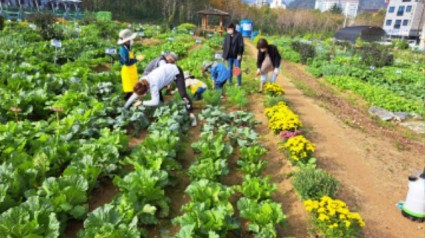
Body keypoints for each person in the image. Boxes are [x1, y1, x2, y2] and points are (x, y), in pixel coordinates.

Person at [125, 64, 197, 126]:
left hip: (176, 72)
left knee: (183, 94)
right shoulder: (142, 82)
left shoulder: (153, 85)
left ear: (146, 90)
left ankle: (192, 115)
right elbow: (135, 94)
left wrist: (142, 102)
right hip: (166, 73)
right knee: (159, 93)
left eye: (142, 94)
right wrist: (125, 107)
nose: (140, 96)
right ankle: (163, 106)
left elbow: (155, 102)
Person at [118, 29, 139, 101]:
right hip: (127, 71)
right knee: (128, 91)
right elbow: (127, 63)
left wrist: (135, 58)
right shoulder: (123, 50)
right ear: (126, 41)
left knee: (133, 89)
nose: (131, 41)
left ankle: (131, 103)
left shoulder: (128, 48)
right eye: (130, 39)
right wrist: (136, 59)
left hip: (132, 71)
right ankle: (126, 105)